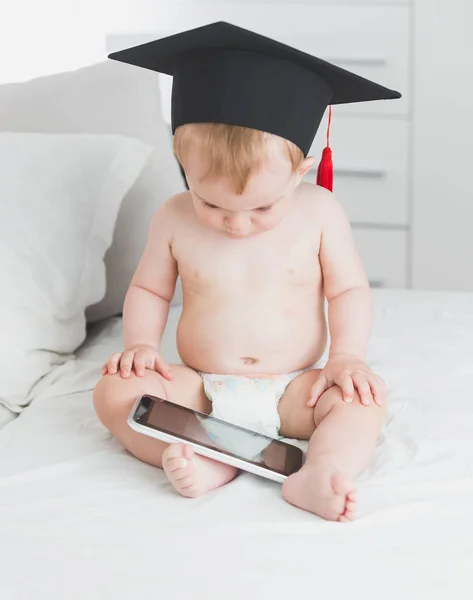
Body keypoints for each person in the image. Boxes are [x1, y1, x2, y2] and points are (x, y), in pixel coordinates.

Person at [94, 22, 400, 521]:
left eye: (261, 208)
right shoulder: (172, 216)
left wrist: (346, 357)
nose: (236, 224)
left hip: (295, 390)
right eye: (210, 202)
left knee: (361, 400)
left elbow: (347, 290)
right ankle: (206, 457)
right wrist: (142, 348)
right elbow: (149, 288)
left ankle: (318, 471)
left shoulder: (320, 211)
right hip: (197, 390)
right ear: (182, 166)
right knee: (115, 393)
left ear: (299, 173)